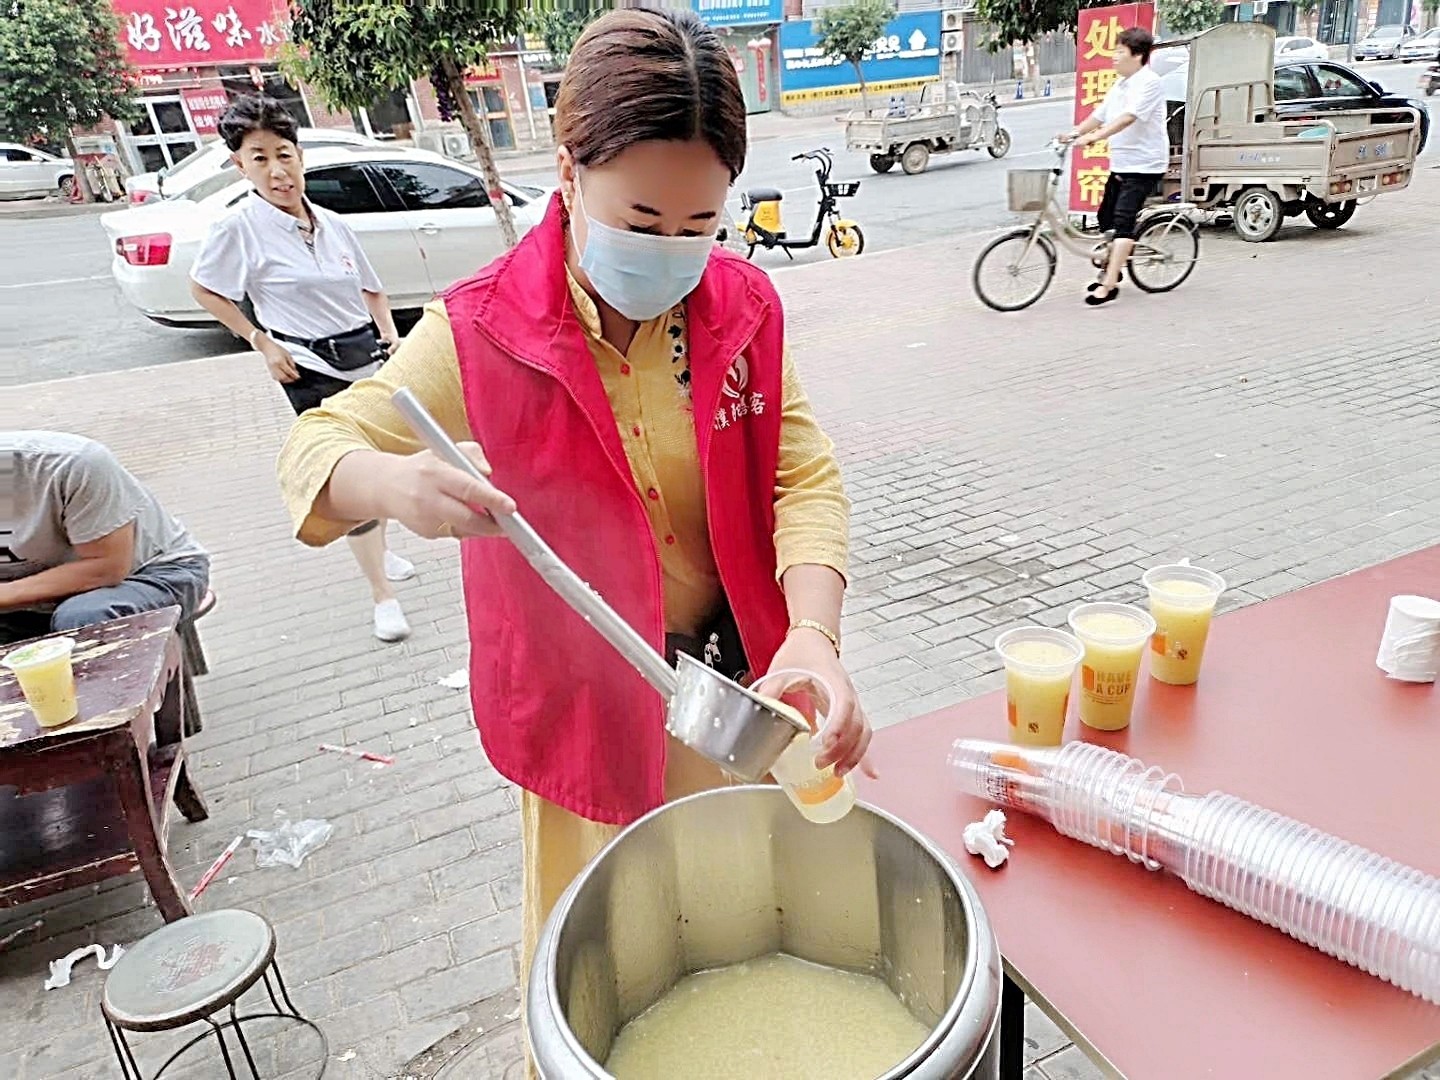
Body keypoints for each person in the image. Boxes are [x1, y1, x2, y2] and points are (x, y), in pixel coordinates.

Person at [274, 6, 872, 1060]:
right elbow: (316, 447)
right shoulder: (483, 326)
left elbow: (802, 473)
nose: (673, 252)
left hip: (730, 695)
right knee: (612, 971)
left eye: (700, 225)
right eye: (642, 219)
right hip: (584, 709)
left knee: (739, 934)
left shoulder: (743, 309)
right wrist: (392, 482)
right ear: (566, 172)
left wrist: (813, 635)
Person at [189, 95, 416, 643]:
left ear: (301, 156)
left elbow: (372, 287)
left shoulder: (334, 224)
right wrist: (260, 342)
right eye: (259, 157)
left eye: (284, 155)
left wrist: (389, 335)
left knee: (380, 460)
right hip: (309, 366)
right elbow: (205, 289)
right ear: (240, 165)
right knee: (347, 473)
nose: (277, 171)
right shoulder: (239, 228)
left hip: (365, 356)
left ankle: (380, 552)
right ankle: (382, 596)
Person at [0, 431, 210, 646]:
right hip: (29, 599)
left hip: (148, 573)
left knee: (84, 618)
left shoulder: (70, 464)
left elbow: (105, 568)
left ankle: (137, 676)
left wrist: (6, 594)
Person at [1060, 27, 1170, 306]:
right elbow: (1099, 116)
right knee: (1105, 217)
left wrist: (1095, 138)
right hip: (1122, 162)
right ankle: (1111, 262)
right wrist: (1073, 134)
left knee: (1122, 221)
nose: (1114, 57)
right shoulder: (1120, 84)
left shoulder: (1149, 83)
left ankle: (1109, 283)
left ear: (1138, 55)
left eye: (1120, 51)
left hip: (1144, 164)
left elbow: (1128, 118)